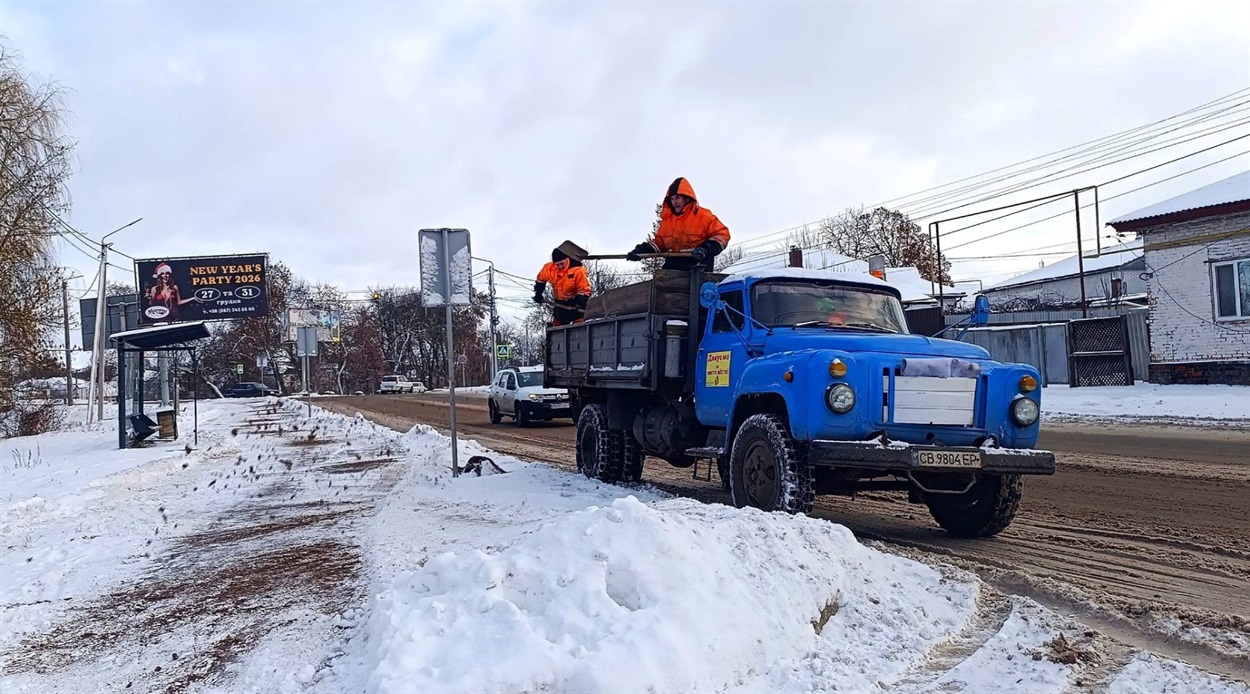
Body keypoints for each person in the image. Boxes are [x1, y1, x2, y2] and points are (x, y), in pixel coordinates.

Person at [626, 177, 731, 271]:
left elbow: (722, 235)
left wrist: (705, 249)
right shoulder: (667, 221)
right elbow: (659, 244)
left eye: (677, 198)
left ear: (687, 198)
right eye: (672, 198)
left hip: (698, 267)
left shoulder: (703, 216)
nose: (674, 202)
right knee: (659, 282)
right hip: (673, 270)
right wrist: (641, 251)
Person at [534, 243, 593, 326]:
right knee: (556, 328)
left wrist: (579, 304)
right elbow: (540, 280)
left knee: (579, 327)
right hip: (560, 304)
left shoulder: (578, 271)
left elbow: (584, 290)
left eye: (562, 263)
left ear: (567, 259)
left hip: (575, 303)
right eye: (557, 264)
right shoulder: (549, 268)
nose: (560, 266)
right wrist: (538, 294)